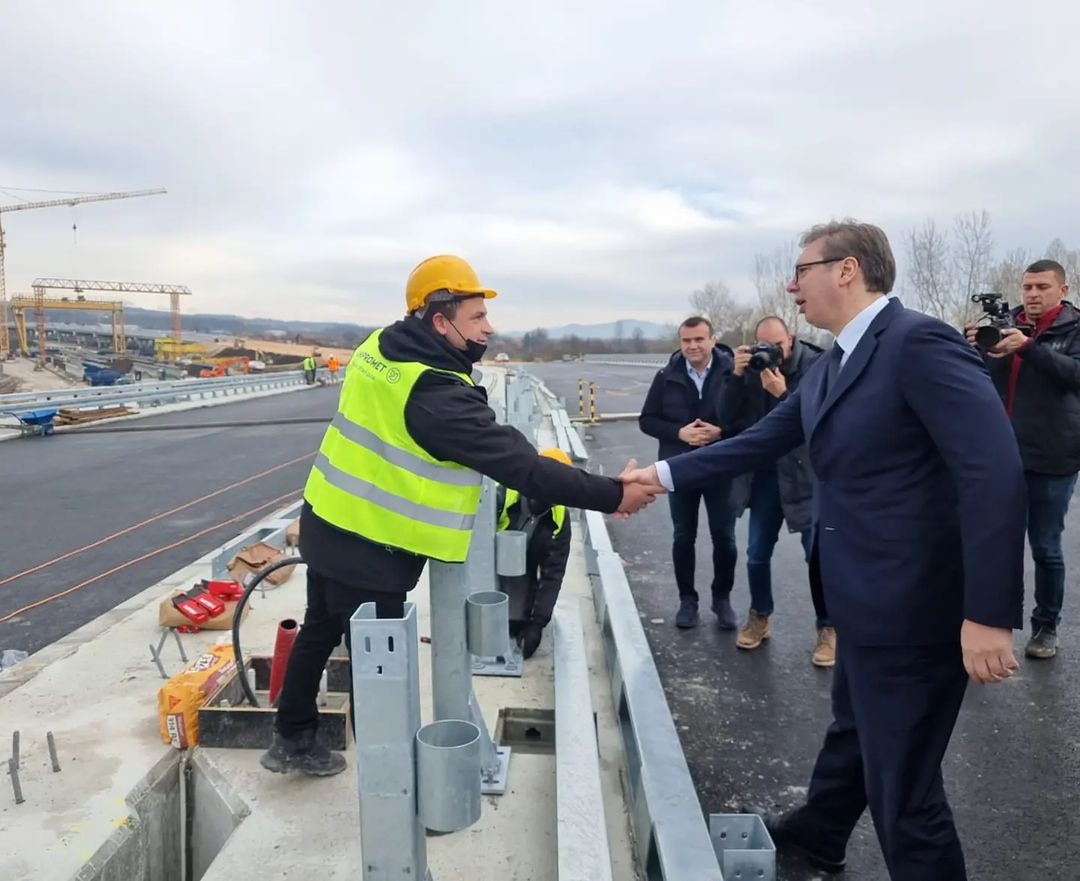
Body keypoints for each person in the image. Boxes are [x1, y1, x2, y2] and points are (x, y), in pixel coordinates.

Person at [622, 220, 1025, 880]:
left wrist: (988, 612)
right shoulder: (838, 359)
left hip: (915, 610)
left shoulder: (919, 343)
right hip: (863, 599)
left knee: (906, 792)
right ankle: (818, 835)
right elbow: (761, 440)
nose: (791, 286)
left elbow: (994, 471)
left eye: (801, 270)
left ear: (846, 269)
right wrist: (657, 477)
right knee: (854, 729)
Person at [261, 254, 659, 777]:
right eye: (477, 317)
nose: (488, 328)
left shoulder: (377, 348)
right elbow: (523, 468)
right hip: (372, 549)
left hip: (327, 518)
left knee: (319, 629)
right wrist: (613, 494)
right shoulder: (435, 396)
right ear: (439, 321)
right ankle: (393, 783)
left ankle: (292, 737)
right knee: (381, 670)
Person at [965, 259, 1080, 660]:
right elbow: (977, 381)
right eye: (1028, 287)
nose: (1032, 294)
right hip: (999, 454)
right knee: (989, 544)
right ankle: (984, 623)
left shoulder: (1074, 329)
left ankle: (1045, 625)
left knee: (1046, 547)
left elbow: (1075, 375)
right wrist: (973, 347)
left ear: (1063, 290)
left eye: (1042, 287)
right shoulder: (1002, 325)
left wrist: (1028, 348)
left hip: (1053, 455)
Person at [719, 316, 834, 666]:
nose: (771, 352)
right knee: (756, 553)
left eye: (777, 345)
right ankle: (760, 616)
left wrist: (783, 393)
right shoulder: (753, 368)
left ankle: (828, 627)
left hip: (804, 475)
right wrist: (736, 376)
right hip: (765, 477)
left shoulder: (816, 365)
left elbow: (820, 420)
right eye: (764, 345)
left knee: (818, 557)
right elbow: (727, 418)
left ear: (791, 339)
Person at [639, 316, 738, 629]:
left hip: (721, 466)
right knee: (683, 536)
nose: (693, 346)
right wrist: (679, 433)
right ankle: (687, 601)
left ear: (712, 340)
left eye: (699, 339)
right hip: (680, 468)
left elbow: (750, 419)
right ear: (680, 342)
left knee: (725, 538)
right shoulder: (666, 375)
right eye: (686, 341)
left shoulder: (733, 373)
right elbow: (647, 420)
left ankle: (722, 600)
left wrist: (721, 432)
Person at [496, 448, 573, 659]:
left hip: (521, 573)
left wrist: (537, 623)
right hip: (487, 568)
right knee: (491, 624)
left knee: (514, 625)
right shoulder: (503, 495)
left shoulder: (559, 518)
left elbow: (553, 574)